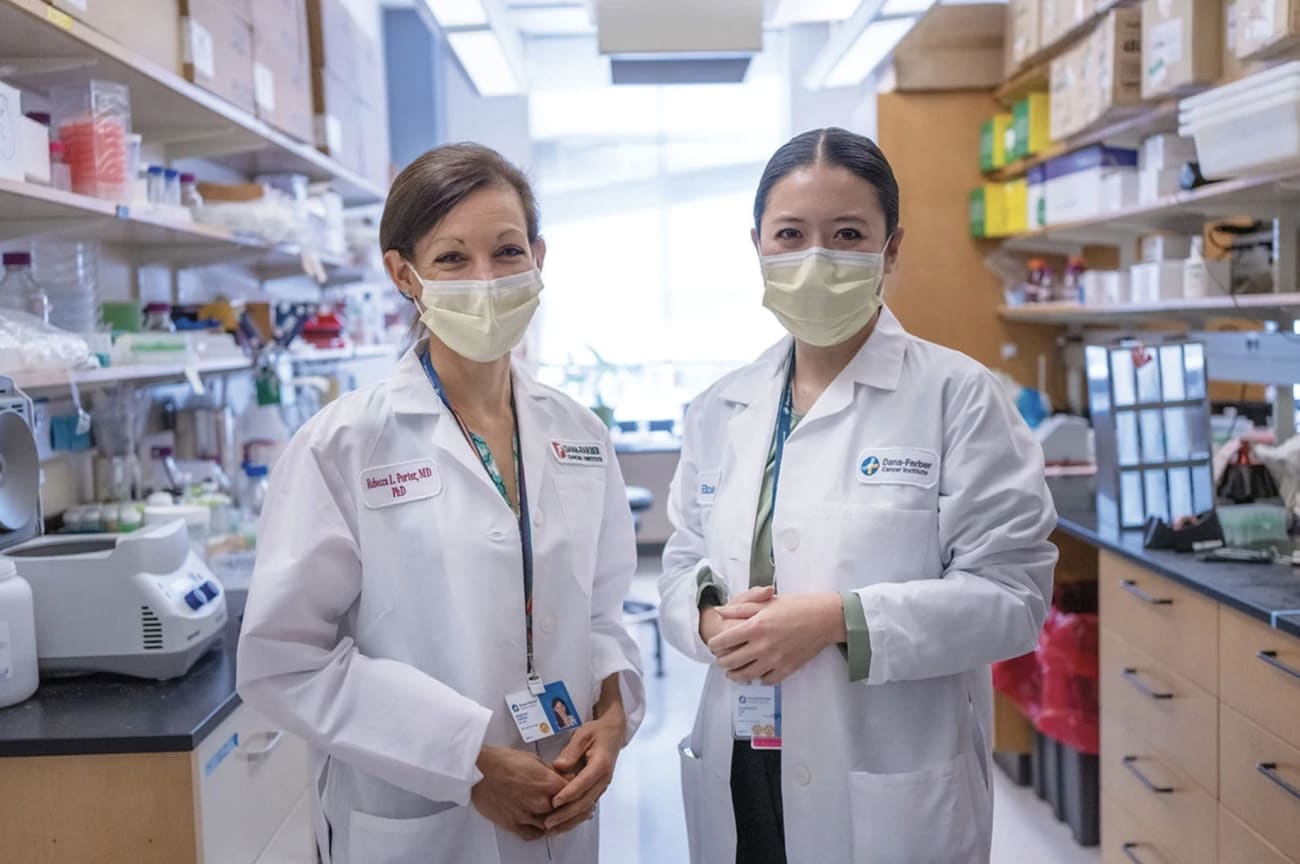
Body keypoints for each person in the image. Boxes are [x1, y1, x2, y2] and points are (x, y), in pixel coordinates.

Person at [238, 143, 645, 864]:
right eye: (453, 258)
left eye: (508, 250)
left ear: (539, 257)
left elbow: (604, 614)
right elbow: (285, 660)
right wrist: (467, 762)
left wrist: (612, 718)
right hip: (416, 814)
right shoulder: (343, 445)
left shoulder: (579, 436)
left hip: (562, 796)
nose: (486, 279)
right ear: (405, 274)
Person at [659, 127, 1058, 864]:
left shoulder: (957, 396)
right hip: (744, 758)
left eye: (847, 234)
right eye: (790, 234)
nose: (816, 259)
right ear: (758, 245)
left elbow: (1013, 598)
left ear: (891, 248)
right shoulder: (722, 407)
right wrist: (708, 618)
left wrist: (839, 621)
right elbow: (682, 561)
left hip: (887, 772)